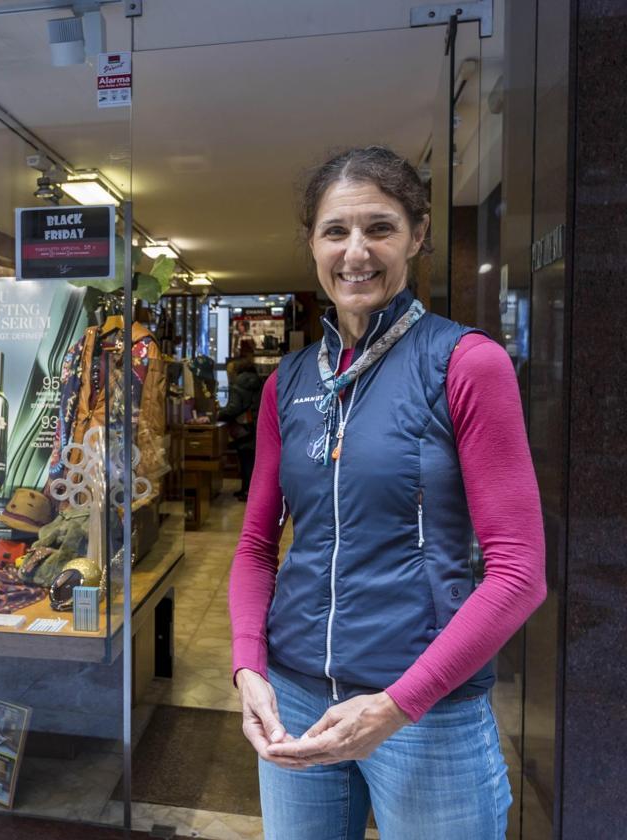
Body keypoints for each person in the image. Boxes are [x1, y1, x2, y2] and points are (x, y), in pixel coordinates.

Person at [228, 146, 546, 839]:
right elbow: (256, 545)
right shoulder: (289, 384)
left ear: (418, 235)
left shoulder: (464, 363)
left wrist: (398, 705)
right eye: (336, 231)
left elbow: (519, 572)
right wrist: (249, 666)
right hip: (297, 698)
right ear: (312, 242)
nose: (356, 252)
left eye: (380, 228)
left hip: (425, 712)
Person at [219, 357, 263, 501]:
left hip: (244, 427)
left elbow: (234, 408)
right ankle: (247, 489)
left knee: (245, 460)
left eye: (229, 371)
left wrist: (219, 414)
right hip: (256, 425)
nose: (228, 374)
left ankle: (247, 491)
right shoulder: (258, 381)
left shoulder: (238, 384)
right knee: (251, 460)